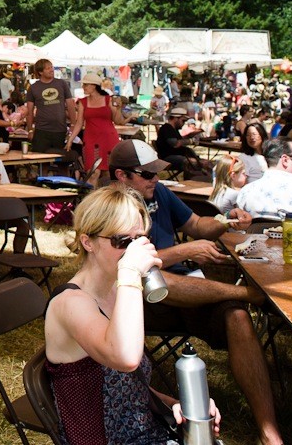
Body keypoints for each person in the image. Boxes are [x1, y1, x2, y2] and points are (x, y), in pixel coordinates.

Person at [106, 140, 283, 445]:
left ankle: (269, 432)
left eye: (157, 172)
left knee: (238, 317)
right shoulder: (109, 205)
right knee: (157, 280)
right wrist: (185, 251)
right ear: (122, 175)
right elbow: (126, 262)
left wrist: (226, 220)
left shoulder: (158, 192)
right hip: (138, 298)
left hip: (188, 291)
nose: (156, 179)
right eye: (147, 174)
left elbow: (198, 225)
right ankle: (248, 294)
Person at [45, 184, 218, 445]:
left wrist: (176, 404)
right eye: (122, 241)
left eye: (139, 239)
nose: (133, 251)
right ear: (87, 242)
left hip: (146, 431)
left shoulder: (117, 289)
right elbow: (125, 359)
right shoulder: (71, 303)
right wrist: (130, 274)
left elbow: (127, 385)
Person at [68, 71, 123, 174]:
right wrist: (70, 139)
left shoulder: (108, 100)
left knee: (108, 173)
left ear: (94, 86)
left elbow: (117, 120)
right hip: (91, 139)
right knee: (93, 172)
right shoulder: (83, 102)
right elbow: (79, 123)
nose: (83, 87)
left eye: (85, 84)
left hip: (108, 138)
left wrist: (119, 109)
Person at [25, 59, 75, 154]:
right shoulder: (33, 87)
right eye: (48, 68)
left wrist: (73, 125)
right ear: (40, 72)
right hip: (41, 130)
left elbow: (70, 105)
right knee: (41, 159)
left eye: (51, 67)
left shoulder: (62, 83)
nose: (51, 70)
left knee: (60, 159)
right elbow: (29, 111)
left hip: (60, 130)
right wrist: (30, 130)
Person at [155, 106, 208, 178]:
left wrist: (191, 135)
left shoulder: (173, 129)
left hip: (178, 156)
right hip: (168, 158)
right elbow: (175, 144)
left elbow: (180, 140)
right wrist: (191, 141)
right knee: (192, 163)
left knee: (205, 163)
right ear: (176, 118)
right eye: (183, 121)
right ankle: (193, 181)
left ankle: (201, 179)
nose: (184, 123)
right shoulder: (167, 128)